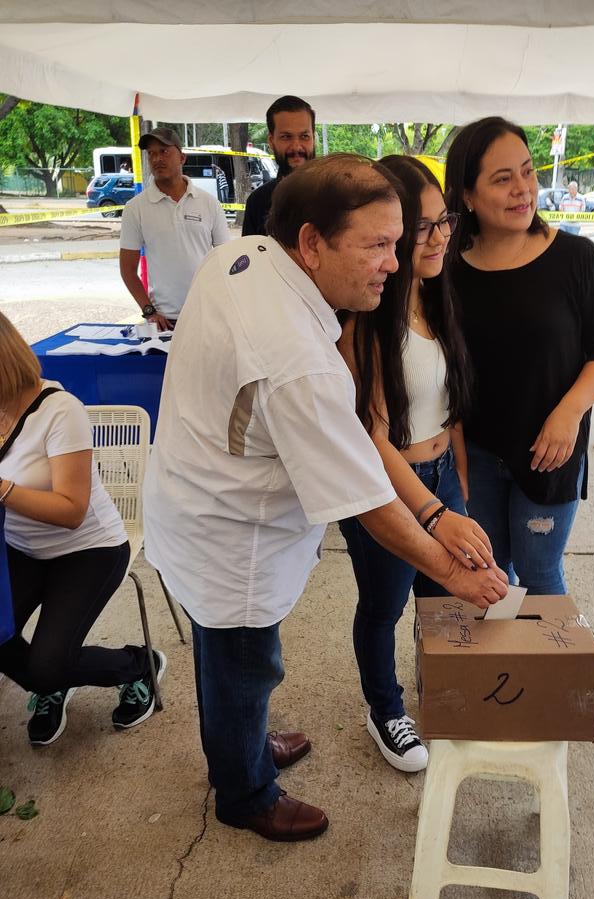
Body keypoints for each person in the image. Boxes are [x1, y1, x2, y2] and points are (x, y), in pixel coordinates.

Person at [143, 155, 508, 843]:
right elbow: (365, 498)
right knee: (246, 662)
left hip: (198, 501)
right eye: (375, 245)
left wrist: (436, 512)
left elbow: (360, 440)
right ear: (310, 243)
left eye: (397, 242)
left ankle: (241, 743)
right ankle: (245, 791)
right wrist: (449, 567)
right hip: (229, 537)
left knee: (231, 661)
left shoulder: (248, 254)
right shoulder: (296, 360)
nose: (395, 264)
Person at [337, 155, 492, 773]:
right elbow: (369, 433)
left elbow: (451, 409)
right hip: (386, 487)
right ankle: (386, 710)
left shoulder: (438, 297)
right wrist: (432, 515)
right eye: (422, 227)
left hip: (441, 477)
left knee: (442, 598)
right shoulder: (367, 317)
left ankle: (445, 696)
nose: (439, 238)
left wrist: (459, 491)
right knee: (383, 605)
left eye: (443, 221)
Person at [445, 117, 594, 595]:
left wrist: (570, 413)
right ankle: (496, 668)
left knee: (540, 571)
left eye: (527, 172)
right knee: (487, 574)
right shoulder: (446, 271)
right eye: (502, 179)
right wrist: (457, 451)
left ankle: (547, 671)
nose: (523, 189)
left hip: (552, 453)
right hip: (479, 455)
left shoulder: (576, 258)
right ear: (467, 195)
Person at [0, 312, 164, 746]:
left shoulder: (60, 411)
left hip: (89, 550)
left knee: (46, 669)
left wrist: (2, 490)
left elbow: (71, 510)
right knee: (9, 644)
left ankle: (138, 665)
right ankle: (50, 678)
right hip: (20, 547)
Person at [119, 127, 230, 332]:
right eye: (151, 153)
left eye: (164, 151)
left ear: (182, 157)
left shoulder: (209, 203)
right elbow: (127, 269)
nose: (157, 159)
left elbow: (226, 260)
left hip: (207, 314)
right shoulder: (135, 208)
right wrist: (149, 311)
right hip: (165, 321)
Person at [242, 95, 316, 237]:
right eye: (286, 137)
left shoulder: (337, 195)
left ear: (313, 138)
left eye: (304, 136)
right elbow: (250, 258)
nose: (296, 147)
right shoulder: (257, 203)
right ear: (271, 141)